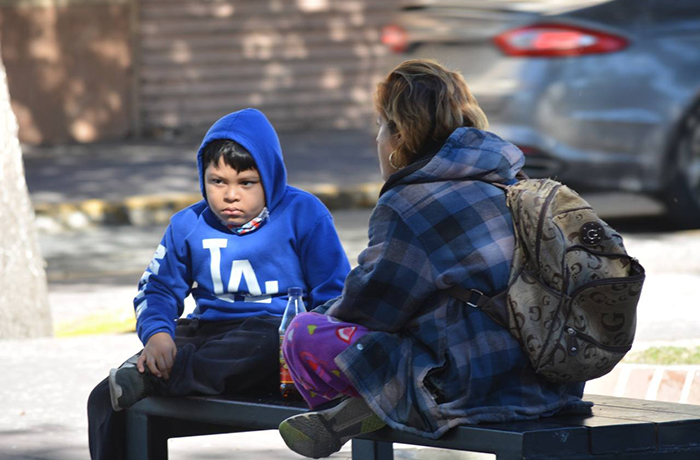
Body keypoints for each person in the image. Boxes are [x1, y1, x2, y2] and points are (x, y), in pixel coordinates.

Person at [277, 59, 591, 459]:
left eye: (380, 126)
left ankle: (380, 403)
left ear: (400, 135)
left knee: (304, 333)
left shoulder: (409, 201)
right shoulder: (514, 182)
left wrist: (325, 313)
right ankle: (372, 404)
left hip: (467, 385)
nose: (378, 138)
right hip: (552, 379)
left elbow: (372, 308)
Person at [87, 108, 351, 460]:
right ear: (203, 177)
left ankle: (164, 375)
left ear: (269, 178)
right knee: (104, 399)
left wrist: (306, 342)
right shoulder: (187, 224)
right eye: (218, 181)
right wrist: (158, 336)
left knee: (263, 335)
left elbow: (334, 297)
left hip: (277, 347)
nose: (230, 195)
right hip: (208, 336)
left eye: (246, 183)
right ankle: (155, 372)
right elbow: (158, 290)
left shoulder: (305, 214)